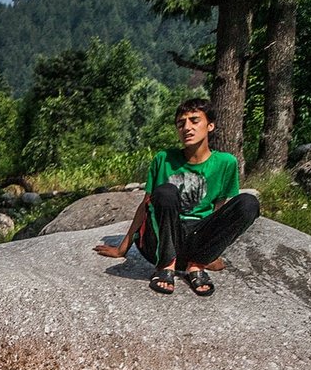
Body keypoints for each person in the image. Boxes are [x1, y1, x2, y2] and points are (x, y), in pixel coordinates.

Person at [94, 97, 260, 296]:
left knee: (249, 203)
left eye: (194, 120)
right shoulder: (164, 159)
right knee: (166, 191)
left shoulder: (226, 163)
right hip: (160, 241)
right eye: (181, 124)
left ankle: (196, 265)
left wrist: (212, 250)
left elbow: (218, 210)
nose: (187, 128)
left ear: (210, 125)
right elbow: (146, 205)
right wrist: (122, 249)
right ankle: (166, 265)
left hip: (194, 241)